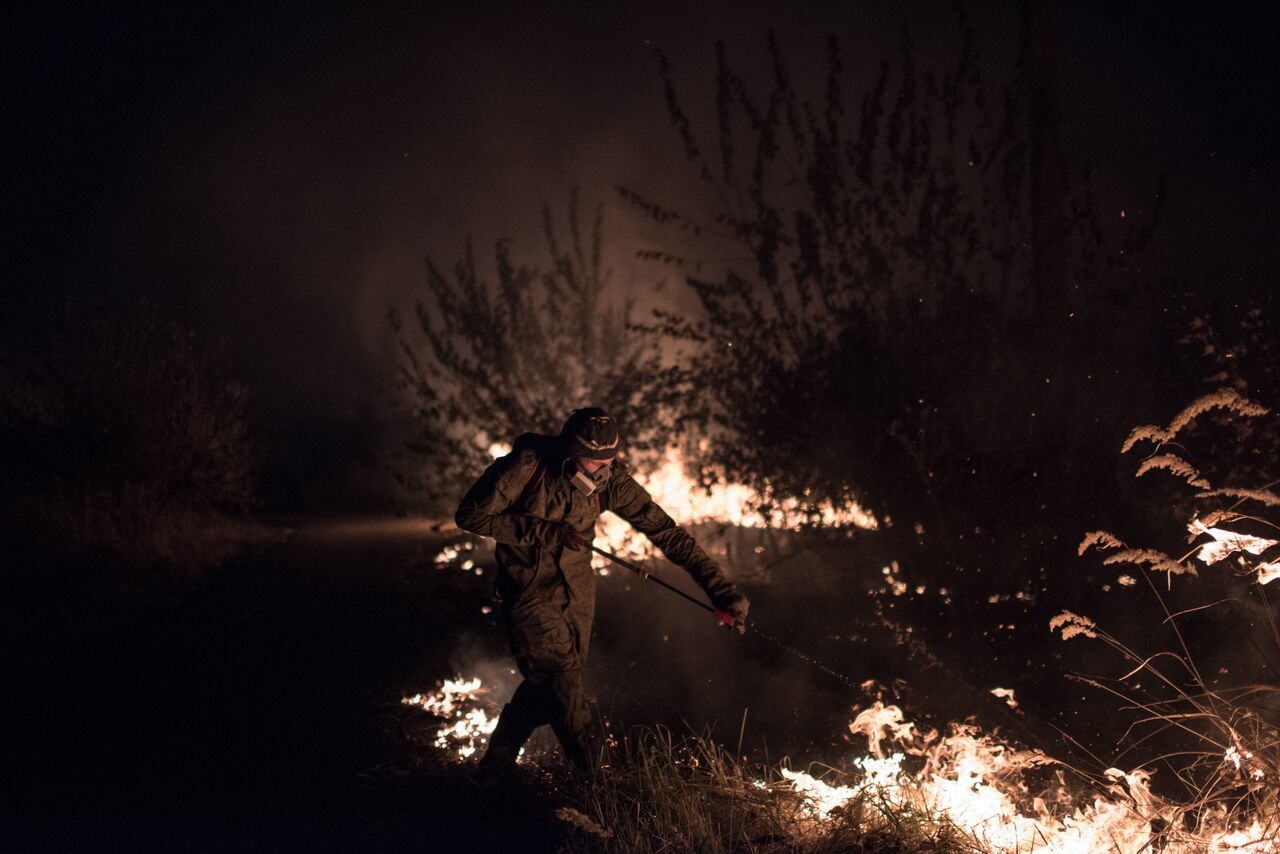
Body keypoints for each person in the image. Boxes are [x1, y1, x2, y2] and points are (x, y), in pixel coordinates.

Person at [455, 407, 749, 777]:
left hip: (578, 594)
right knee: (563, 686)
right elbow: (471, 516)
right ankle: (598, 790)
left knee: (550, 685)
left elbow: (668, 534)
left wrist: (721, 591)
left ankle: (491, 773)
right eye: (592, 463)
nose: (601, 471)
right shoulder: (528, 467)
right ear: (568, 452)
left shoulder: (611, 483)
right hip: (528, 592)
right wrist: (546, 532)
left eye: (608, 461)